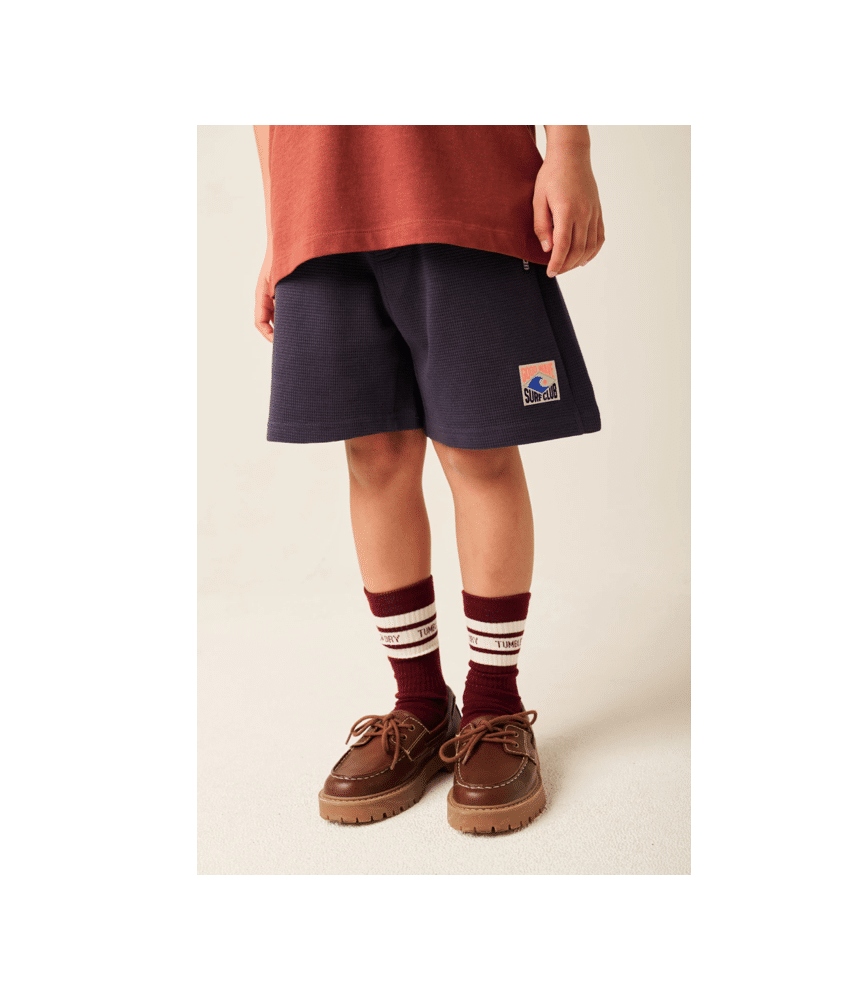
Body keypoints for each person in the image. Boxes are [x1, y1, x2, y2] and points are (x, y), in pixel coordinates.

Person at [253, 125, 603, 834]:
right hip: (314, 203)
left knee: (479, 452)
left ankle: (494, 704)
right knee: (372, 453)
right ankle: (418, 701)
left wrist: (570, 150)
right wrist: (278, 227)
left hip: (461, 180)